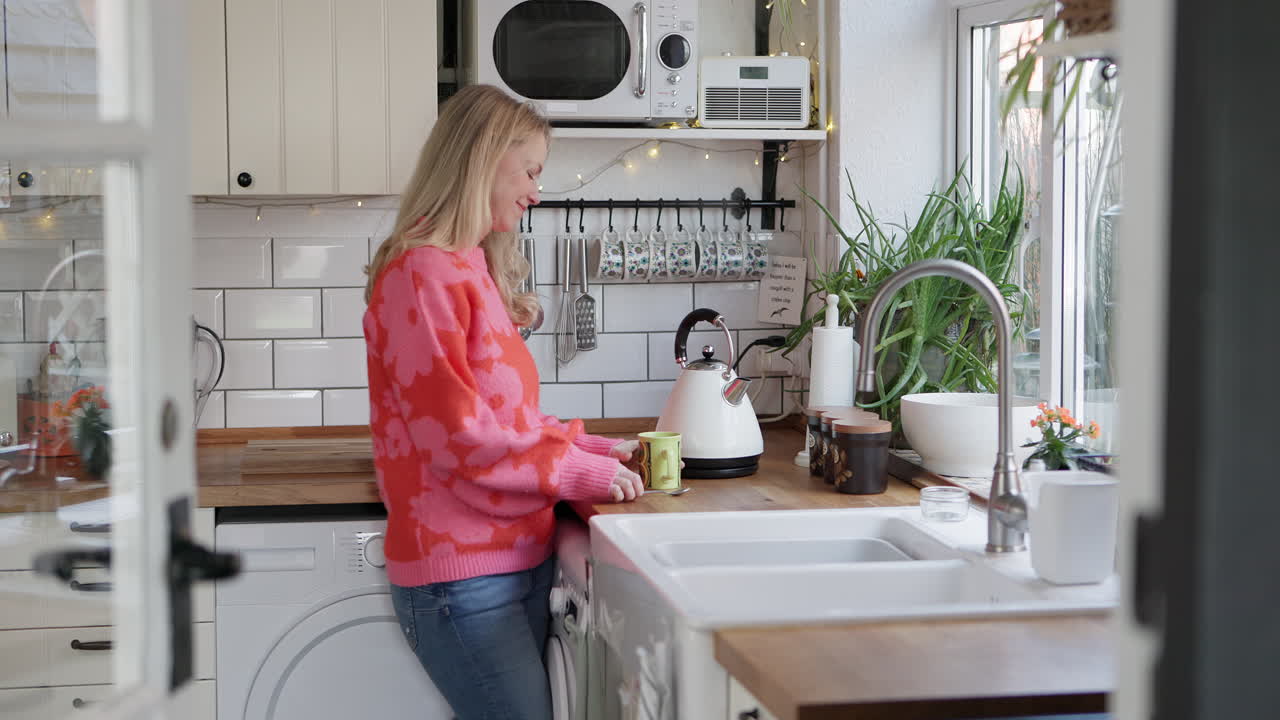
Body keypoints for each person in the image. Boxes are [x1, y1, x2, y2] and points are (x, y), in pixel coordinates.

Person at [362, 84, 645, 720]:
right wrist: (575, 469)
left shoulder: (470, 266)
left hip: (515, 563)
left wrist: (591, 448)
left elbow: (505, 421)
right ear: (485, 156)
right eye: (531, 170)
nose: (536, 191)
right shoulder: (419, 273)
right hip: (461, 581)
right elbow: (458, 437)